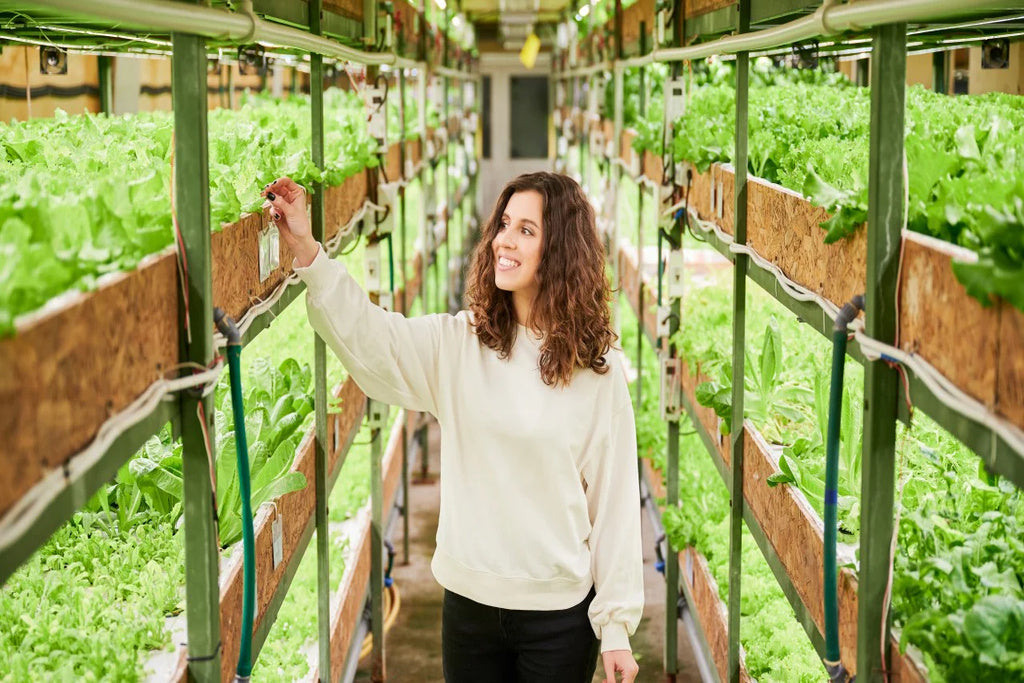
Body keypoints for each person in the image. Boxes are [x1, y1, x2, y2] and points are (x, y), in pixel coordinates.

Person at [262, 171, 643, 683]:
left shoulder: (596, 369)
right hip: (469, 610)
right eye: (504, 224)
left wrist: (615, 625)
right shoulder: (462, 345)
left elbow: (615, 499)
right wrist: (308, 250)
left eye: (527, 230)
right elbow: (377, 342)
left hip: (558, 618)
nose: (505, 239)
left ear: (561, 252)